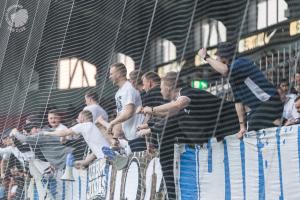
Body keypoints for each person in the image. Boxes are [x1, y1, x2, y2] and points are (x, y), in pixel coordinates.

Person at [139, 71, 239, 199]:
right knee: (174, 121)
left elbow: (178, 105)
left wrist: (152, 111)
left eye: (162, 87)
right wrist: (149, 125)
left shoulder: (187, 92)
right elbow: (170, 114)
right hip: (213, 129)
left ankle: (171, 192)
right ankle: (171, 191)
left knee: (178, 117)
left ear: (169, 87)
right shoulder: (182, 97)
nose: (161, 91)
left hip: (228, 123)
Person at [198, 42, 283, 138]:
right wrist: (242, 127)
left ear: (225, 57)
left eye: (217, 57)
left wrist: (206, 57)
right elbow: (238, 103)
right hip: (260, 107)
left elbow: (224, 70)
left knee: (254, 123)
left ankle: (283, 124)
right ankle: (279, 122)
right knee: (251, 124)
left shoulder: (240, 63)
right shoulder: (232, 76)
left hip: (270, 101)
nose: (216, 60)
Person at [44, 110, 110, 168]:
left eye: (78, 118)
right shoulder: (92, 126)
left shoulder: (83, 125)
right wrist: (83, 162)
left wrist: (48, 133)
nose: (77, 120)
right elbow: (96, 151)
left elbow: (64, 133)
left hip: (107, 159)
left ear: (82, 118)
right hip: (107, 157)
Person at [107, 63, 145, 152]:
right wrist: (115, 136)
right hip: (129, 137)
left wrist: (112, 123)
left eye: (111, 74)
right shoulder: (118, 93)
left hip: (139, 135)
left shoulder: (129, 88)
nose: (109, 77)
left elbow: (129, 112)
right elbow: (120, 115)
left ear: (119, 74)